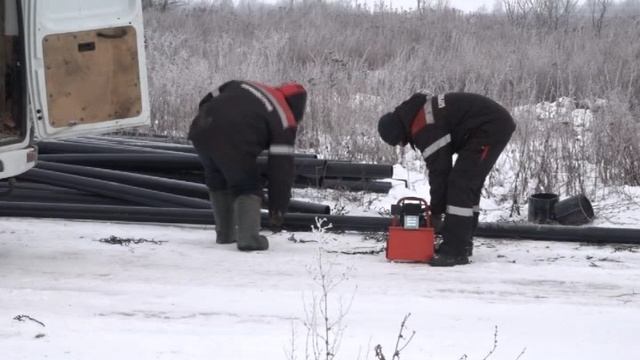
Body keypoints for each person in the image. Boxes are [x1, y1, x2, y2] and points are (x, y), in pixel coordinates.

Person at [377, 92, 515, 266]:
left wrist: (435, 212)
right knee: (466, 182)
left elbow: (440, 171)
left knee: (461, 184)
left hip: (491, 128)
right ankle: (462, 242)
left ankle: (456, 251)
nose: (404, 145)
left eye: (400, 142)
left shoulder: (424, 127)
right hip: (487, 126)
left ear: (399, 132)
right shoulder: (418, 115)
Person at [188, 80, 307, 251]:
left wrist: (210, 119)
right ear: (298, 107)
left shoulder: (242, 84)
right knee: (247, 185)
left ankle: (225, 235)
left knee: (218, 179)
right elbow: (281, 170)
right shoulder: (285, 118)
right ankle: (249, 239)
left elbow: (207, 99)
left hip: (201, 130)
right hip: (234, 139)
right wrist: (278, 208)